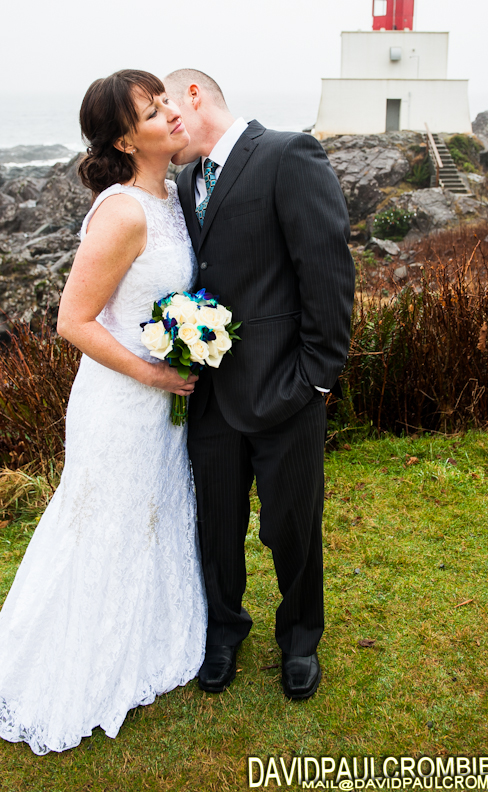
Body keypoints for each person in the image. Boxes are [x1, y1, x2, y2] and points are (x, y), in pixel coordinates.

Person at [0, 70, 207, 755]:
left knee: (150, 513)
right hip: (120, 402)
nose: (171, 113)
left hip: (158, 401)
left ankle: (146, 639)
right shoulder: (122, 212)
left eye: (165, 101)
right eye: (153, 110)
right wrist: (155, 372)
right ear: (125, 140)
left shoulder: (171, 196)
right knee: (104, 522)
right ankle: (76, 660)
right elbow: (74, 321)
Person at [165, 68, 355, 700]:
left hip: (285, 387)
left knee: (292, 526)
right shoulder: (185, 181)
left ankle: (299, 639)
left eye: (167, 108)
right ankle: (224, 632)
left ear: (194, 96)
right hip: (209, 395)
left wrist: (316, 378)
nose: (164, 126)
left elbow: (327, 269)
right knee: (216, 524)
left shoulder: (286, 153)